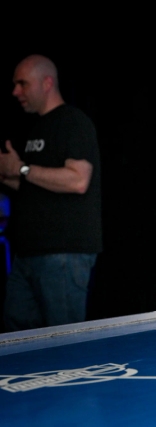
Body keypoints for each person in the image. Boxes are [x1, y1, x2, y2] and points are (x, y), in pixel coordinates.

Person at [0, 54, 102, 331]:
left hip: (62, 256)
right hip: (26, 255)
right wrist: (8, 173)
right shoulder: (32, 128)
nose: (15, 92)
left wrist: (20, 168)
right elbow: (32, 186)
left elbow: (78, 180)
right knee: (18, 339)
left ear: (47, 83)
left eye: (22, 83)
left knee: (63, 340)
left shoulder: (72, 121)